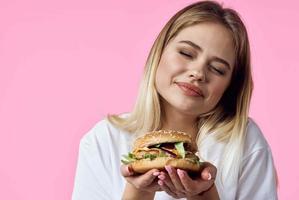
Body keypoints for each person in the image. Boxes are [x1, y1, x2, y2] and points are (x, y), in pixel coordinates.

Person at [72, 1, 278, 199]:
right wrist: (139, 192)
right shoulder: (103, 140)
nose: (198, 73)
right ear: (158, 53)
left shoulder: (245, 142)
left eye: (217, 69)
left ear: (230, 87)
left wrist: (203, 195)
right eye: (186, 53)